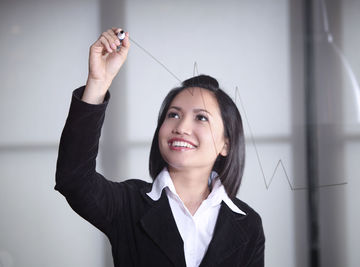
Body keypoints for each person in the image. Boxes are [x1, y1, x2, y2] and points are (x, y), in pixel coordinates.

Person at [55, 28, 265, 267]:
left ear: (226, 144)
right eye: (173, 115)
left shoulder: (248, 224)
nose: (182, 127)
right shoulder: (128, 204)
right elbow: (73, 179)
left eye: (201, 118)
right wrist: (97, 83)